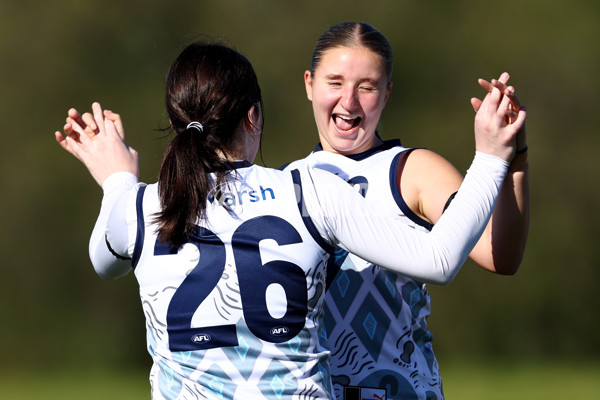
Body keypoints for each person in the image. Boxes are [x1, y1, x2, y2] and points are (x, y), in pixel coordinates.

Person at [55, 42, 521, 399]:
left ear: (177, 123)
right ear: (253, 117)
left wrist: (117, 179)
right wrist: (491, 157)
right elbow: (439, 260)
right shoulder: (308, 191)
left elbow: (103, 259)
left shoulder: (137, 209)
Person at [283, 21, 529, 400]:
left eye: (367, 87)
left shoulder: (411, 170)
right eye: (335, 82)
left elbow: (501, 256)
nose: (349, 101)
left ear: (387, 94)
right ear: (308, 84)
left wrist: (513, 159)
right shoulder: (284, 182)